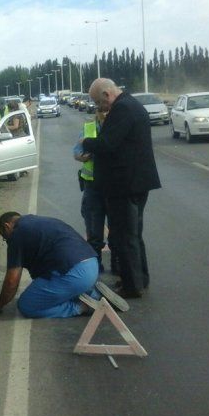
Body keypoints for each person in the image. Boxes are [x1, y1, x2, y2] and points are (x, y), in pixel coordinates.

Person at [81, 78, 161, 298]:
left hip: (125, 185)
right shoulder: (133, 105)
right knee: (134, 235)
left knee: (125, 237)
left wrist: (87, 143)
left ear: (107, 94)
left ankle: (132, 286)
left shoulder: (122, 109)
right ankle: (138, 279)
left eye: (99, 102)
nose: (100, 108)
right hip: (136, 183)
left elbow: (108, 144)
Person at [0, 212, 126, 318]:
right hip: (91, 265)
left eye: (4, 236)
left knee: (26, 305)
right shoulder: (41, 222)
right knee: (51, 284)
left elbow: (12, 281)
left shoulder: (17, 234)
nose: (7, 241)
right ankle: (94, 295)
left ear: (7, 226)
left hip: (74, 274)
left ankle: (81, 307)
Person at [74, 110, 109, 273]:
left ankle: (118, 264)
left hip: (111, 186)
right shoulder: (88, 128)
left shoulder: (116, 126)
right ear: (97, 112)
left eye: (108, 110)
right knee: (94, 229)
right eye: (102, 111)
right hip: (92, 186)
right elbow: (76, 152)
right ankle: (96, 265)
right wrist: (85, 156)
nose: (105, 114)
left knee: (116, 229)